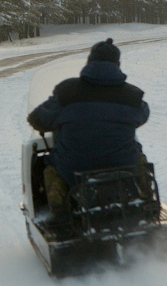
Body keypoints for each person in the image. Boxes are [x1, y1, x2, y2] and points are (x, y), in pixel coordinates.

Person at [27, 38, 150, 217]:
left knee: (49, 166)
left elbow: (38, 119)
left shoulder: (67, 92)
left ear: (89, 61)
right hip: (124, 169)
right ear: (118, 64)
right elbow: (143, 115)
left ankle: (61, 214)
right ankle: (146, 203)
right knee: (139, 157)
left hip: (75, 171)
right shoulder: (133, 96)